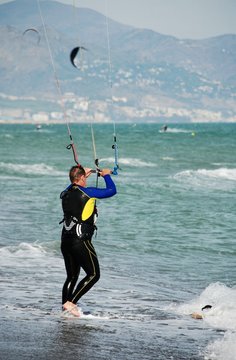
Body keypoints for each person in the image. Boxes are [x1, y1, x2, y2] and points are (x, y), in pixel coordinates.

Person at [60, 165, 117, 317]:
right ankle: (70, 303)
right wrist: (106, 175)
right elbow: (112, 191)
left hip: (65, 240)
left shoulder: (65, 193)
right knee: (93, 274)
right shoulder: (88, 192)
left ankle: (65, 308)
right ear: (82, 178)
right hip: (80, 241)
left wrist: (81, 174)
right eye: (84, 178)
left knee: (71, 276)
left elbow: (72, 185)